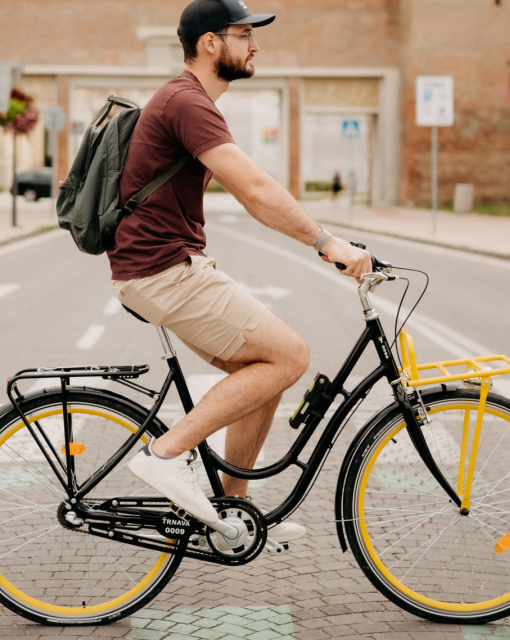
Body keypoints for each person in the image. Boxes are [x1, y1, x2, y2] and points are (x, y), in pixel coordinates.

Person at [113, 0, 373, 544]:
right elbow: (255, 191)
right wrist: (328, 244)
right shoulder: (187, 101)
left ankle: (231, 514)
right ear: (211, 43)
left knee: (265, 368)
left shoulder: (187, 100)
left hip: (160, 267)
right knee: (290, 355)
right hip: (163, 269)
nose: (255, 45)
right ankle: (163, 455)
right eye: (244, 34)